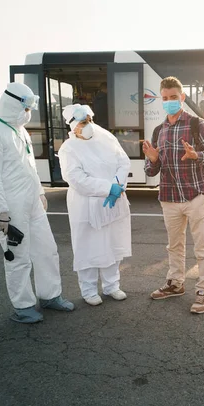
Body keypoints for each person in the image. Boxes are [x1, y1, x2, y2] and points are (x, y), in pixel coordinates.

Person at [0, 82, 74, 323]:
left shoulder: (19, 130)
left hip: (31, 202)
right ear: (11, 103)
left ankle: (50, 295)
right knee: (18, 257)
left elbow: (29, 165)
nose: (28, 113)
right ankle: (23, 306)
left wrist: (40, 192)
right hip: (11, 207)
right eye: (26, 107)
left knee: (47, 250)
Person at [142, 76, 204, 314]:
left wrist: (197, 155)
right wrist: (153, 160)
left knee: (202, 246)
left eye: (173, 98)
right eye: (165, 98)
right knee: (174, 246)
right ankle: (175, 283)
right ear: (161, 99)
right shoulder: (159, 131)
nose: (169, 102)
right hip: (169, 197)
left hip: (195, 196)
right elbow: (151, 170)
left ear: (182, 98)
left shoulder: (196, 124)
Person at [58, 104, 132, 306]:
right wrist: (108, 188)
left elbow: (124, 162)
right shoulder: (69, 148)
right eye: (83, 122)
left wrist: (117, 185)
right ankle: (89, 290)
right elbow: (75, 178)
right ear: (73, 126)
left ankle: (111, 286)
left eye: (89, 120)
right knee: (88, 246)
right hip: (86, 205)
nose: (89, 125)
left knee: (112, 243)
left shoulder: (106, 139)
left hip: (113, 201)